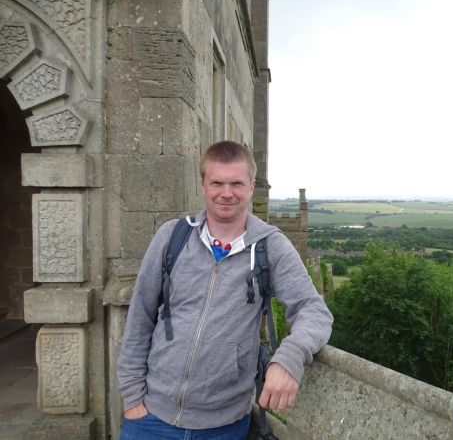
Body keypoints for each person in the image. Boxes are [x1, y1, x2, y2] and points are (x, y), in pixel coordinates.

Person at [117, 140, 333, 439]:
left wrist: (289, 357)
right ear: (203, 184)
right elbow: (139, 316)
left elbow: (314, 310)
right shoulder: (172, 236)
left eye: (237, 183)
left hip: (223, 425)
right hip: (150, 417)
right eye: (217, 182)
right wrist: (132, 399)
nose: (227, 193)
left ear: (251, 186)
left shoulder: (271, 247)